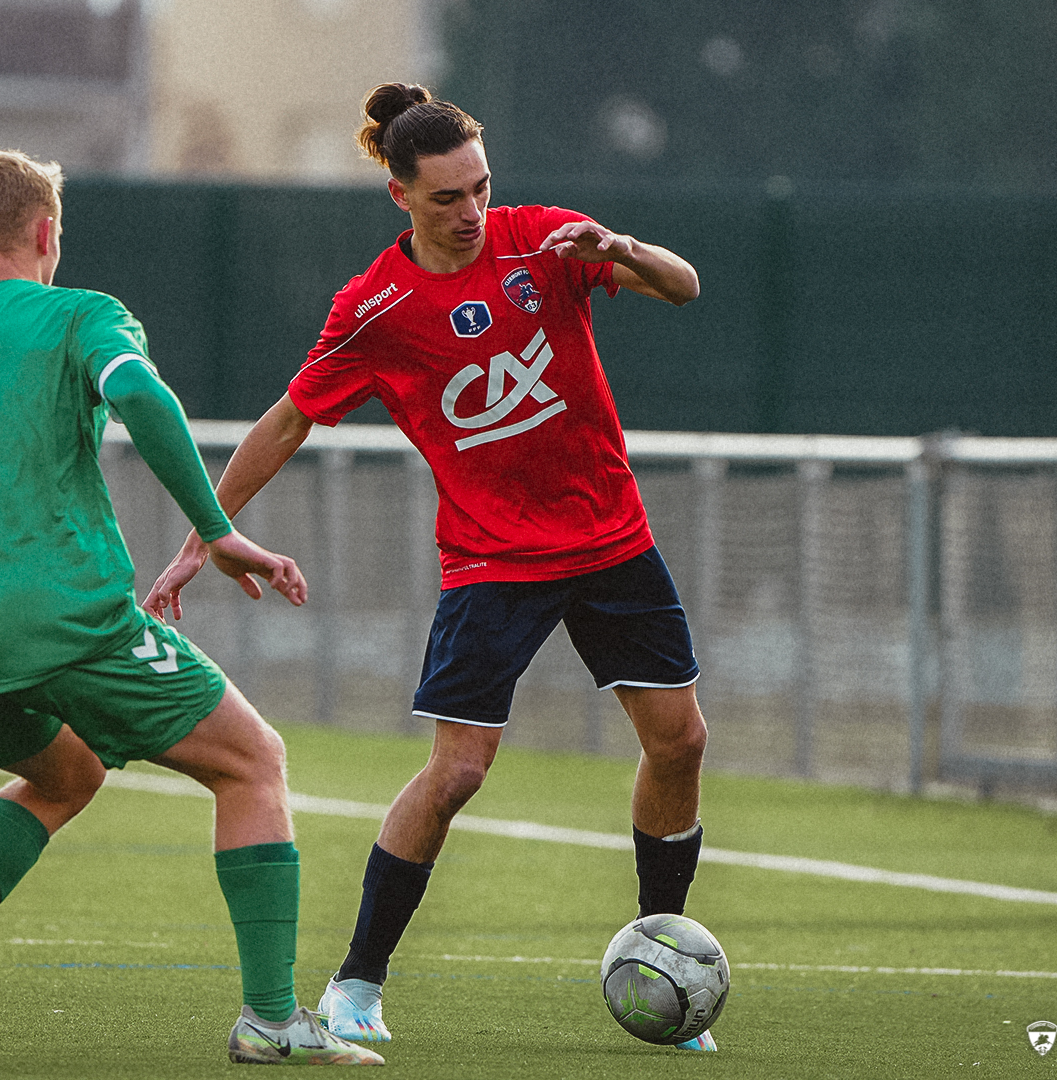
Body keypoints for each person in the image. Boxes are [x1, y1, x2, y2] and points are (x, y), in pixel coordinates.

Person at [144, 85, 716, 1051]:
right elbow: (286, 422)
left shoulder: (543, 241)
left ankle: (660, 954)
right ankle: (356, 984)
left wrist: (618, 247)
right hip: (493, 559)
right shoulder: (375, 308)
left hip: (611, 537)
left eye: (481, 187)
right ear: (400, 195)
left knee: (682, 741)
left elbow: (684, 286)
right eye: (448, 195)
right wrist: (201, 538)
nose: (472, 210)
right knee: (457, 773)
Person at [0, 147, 383, 1065]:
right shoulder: (80, 315)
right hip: (64, 620)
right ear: (47, 233)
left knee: (69, 776)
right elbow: (135, 389)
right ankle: (271, 1021)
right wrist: (216, 531)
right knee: (253, 762)